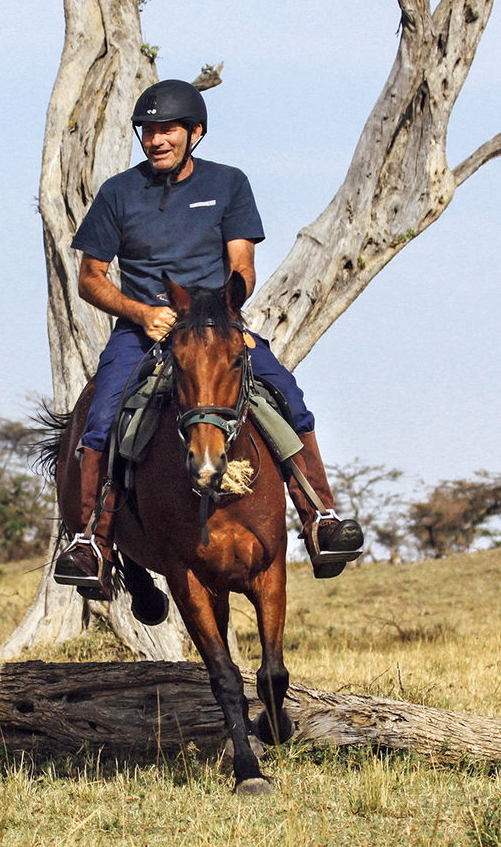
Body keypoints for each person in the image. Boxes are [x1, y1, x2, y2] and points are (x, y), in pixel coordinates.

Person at [52, 79, 365, 597]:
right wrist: (140, 312)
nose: (155, 140)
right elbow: (90, 278)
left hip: (217, 326)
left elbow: (243, 264)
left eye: (167, 130)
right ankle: (91, 544)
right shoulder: (117, 193)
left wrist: (221, 312)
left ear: (194, 132)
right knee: (101, 418)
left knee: (288, 396)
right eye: (147, 131)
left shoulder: (229, 183)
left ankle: (321, 520)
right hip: (143, 331)